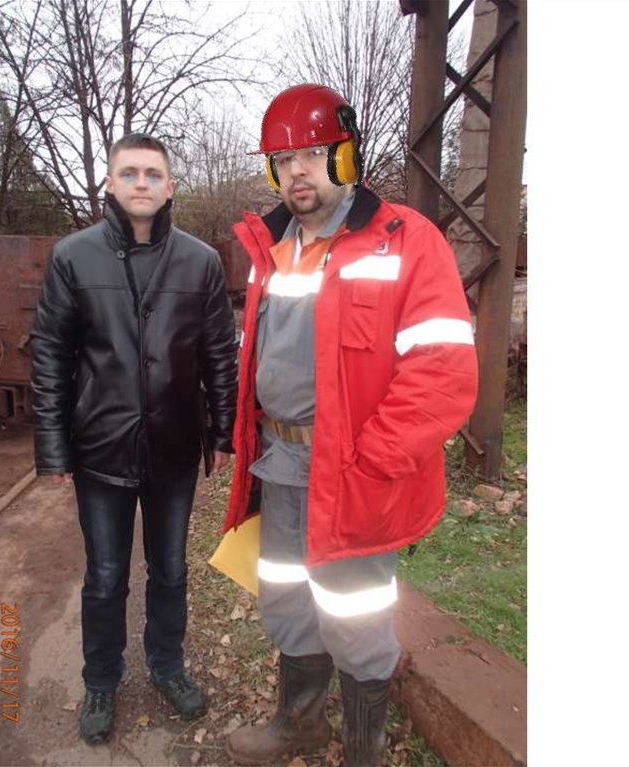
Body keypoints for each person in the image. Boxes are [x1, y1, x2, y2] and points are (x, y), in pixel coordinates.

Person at [223, 84, 479, 766]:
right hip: (279, 464)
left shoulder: (404, 242)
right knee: (288, 596)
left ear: (346, 155)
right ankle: (300, 723)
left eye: (312, 154)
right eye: (283, 160)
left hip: (353, 472)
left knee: (355, 613)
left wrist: (371, 462)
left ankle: (365, 749)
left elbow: (442, 374)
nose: (296, 172)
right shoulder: (272, 247)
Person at [30, 133, 237, 744]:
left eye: (152, 174)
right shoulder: (73, 257)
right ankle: (101, 679)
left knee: (169, 569)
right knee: (105, 575)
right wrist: (53, 447)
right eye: (129, 173)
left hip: (173, 448)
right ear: (110, 183)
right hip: (101, 449)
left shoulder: (201, 261)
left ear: (170, 187)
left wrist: (222, 432)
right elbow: (51, 356)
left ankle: (167, 666)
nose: (141, 183)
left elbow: (219, 355)